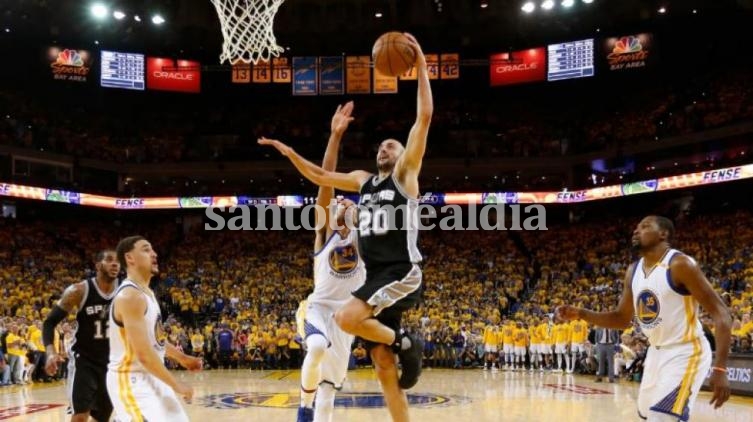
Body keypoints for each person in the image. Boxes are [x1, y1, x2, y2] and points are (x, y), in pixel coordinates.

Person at [260, 32, 431, 422]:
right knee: (385, 367)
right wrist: (291, 153)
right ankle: (399, 356)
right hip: (373, 286)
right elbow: (322, 176)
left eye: (391, 145)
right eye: (381, 146)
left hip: (400, 273)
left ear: (404, 155)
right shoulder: (361, 183)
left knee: (347, 321)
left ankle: (408, 342)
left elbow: (423, 118)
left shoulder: (405, 177)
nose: (384, 149)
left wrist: (420, 63)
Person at [557, 216, 732, 421]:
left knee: (661, 417)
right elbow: (622, 318)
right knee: (646, 415)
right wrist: (582, 313)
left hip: (686, 351)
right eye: (636, 227)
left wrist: (720, 368)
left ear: (663, 234)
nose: (636, 231)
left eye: (645, 226)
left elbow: (722, 314)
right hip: (655, 353)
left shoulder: (680, 264)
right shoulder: (633, 271)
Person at [296, 100, 366, 422]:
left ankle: (313, 410)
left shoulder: (365, 239)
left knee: (329, 392)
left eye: (347, 202)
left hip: (345, 320)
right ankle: (302, 408)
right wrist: (335, 136)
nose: (342, 202)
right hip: (319, 308)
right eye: (339, 202)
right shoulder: (324, 231)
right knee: (316, 347)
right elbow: (325, 179)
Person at [107, 236, 202, 421]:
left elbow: (155, 341)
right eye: (146, 249)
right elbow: (143, 354)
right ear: (130, 258)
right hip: (132, 380)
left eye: (152, 249)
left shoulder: (147, 293)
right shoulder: (130, 296)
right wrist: (177, 385)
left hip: (153, 377)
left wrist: (182, 358)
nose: (154, 253)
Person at [42, 250, 120, 422]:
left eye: (118, 261)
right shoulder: (79, 290)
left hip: (112, 363)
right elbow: (49, 323)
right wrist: (51, 353)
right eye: (109, 260)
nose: (115, 264)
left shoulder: (126, 292)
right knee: (80, 417)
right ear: (98, 265)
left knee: (102, 417)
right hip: (84, 361)